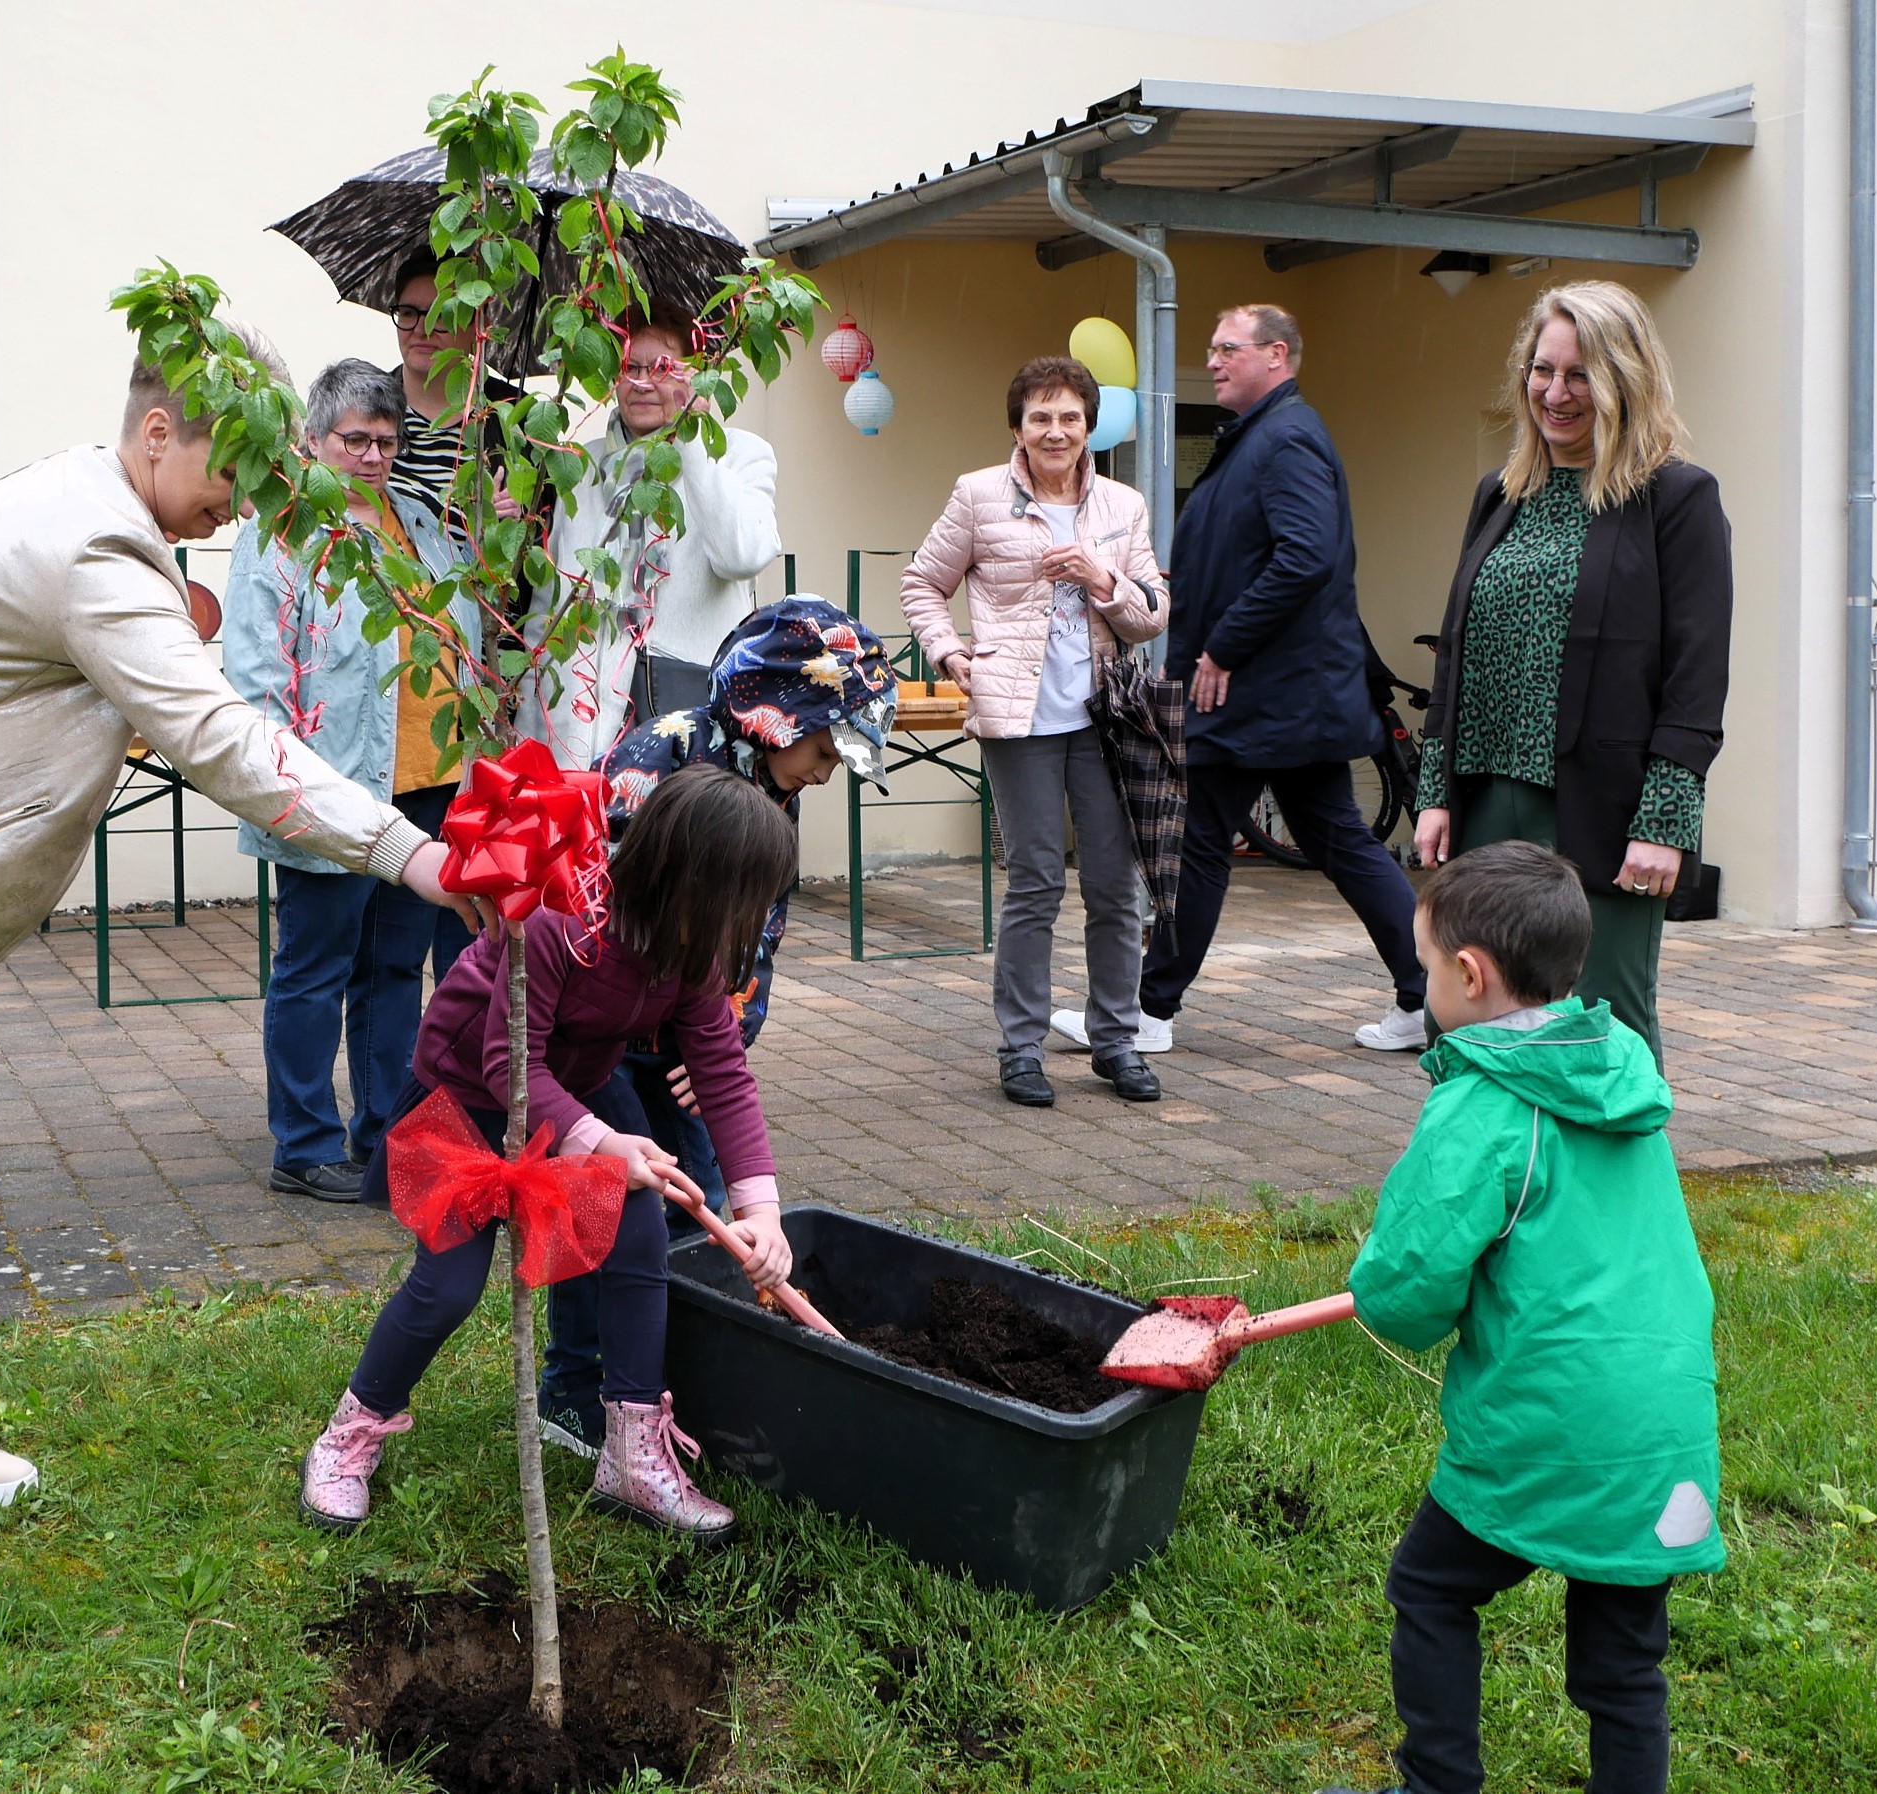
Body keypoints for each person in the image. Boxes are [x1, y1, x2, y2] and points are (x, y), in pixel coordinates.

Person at [0, 335, 484, 1567]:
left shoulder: (101, 511)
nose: (244, 502)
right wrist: (417, 858)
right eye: (231, 470)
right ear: (157, 434)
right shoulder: (97, 548)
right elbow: (223, 736)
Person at [299, 767, 799, 1542]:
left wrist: (761, 1210)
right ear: (695, 885)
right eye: (752, 902)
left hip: (575, 1092)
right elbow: (506, 1062)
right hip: (466, 1097)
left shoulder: (690, 954)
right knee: (448, 1287)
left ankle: (632, 1455)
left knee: (639, 1238)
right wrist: (603, 1143)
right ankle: (350, 1434)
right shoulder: (561, 923)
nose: (758, 922)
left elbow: (723, 1076)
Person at [1327, 840, 1722, 1794]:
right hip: (1663, 1428)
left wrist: (1398, 1300)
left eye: (1425, 967)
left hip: (1549, 1422)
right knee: (1624, 1667)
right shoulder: (1620, 1072)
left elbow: (1408, 1284)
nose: (1424, 986)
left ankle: (1437, 1785)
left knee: (1431, 1588)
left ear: (1469, 975)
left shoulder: (1480, 1105)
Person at [535, 597, 898, 1455]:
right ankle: (572, 1389)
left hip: (690, 1046)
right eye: (825, 751)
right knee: (600, 1209)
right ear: (779, 712)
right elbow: (598, 921)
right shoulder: (661, 760)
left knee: (692, 1212)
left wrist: (726, 1038)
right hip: (607, 1046)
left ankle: (653, 1378)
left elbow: (751, 936)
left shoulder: (774, 781)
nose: (827, 773)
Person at [1411, 282, 1732, 1069]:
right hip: (1486, 803)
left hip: (1603, 812)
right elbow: (1457, 654)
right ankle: (1487, 1151)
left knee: (1601, 1023)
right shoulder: (1499, 495)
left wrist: (1665, 821)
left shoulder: (1676, 498)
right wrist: (1434, 791)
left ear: (1625, 379)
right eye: (1543, 370)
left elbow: (1697, 675)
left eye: (1580, 375)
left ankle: (1621, 1157)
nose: (1555, 393)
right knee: (1468, 1016)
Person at [1129, 304, 1427, 1058]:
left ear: (1277, 355)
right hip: (1285, 698)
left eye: (1227, 347)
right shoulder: (1260, 437)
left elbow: (1305, 557)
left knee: (1199, 842)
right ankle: (1425, 994)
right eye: (1212, 347)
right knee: (1340, 840)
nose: (1213, 360)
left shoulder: (1286, 438)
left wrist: (1222, 647)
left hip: (1257, 695)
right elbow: (1264, 555)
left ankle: (1147, 1014)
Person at [222, 358, 479, 1201]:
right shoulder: (283, 530)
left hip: (427, 781)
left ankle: (383, 1132)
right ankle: (302, 1145)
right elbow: (258, 676)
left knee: (395, 967)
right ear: (312, 439)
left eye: (386, 440)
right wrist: (287, 788)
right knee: (315, 967)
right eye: (355, 439)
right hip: (332, 791)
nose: (373, 456)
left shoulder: (421, 520)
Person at [900, 354, 1168, 1109]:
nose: (1056, 431)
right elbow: (922, 582)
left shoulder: (1123, 505)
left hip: (1104, 718)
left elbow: (1153, 611)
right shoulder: (979, 494)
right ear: (1017, 427)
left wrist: (1101, 579)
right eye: (1040, 417)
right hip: (1017, 720)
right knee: (1037, 881)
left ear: (1090, 428)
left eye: (1070, 418)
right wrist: (950, 652)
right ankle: (1020, 1049)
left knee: (1115, 886)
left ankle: (1116, 1041)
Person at [530, 301, 782, 768]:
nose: (643, 382)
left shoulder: (739, 454)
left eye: (664, 367)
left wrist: (692, 440)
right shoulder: (577, 467)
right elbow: (549, 607)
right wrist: (531, 732)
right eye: (631, 367)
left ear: (696, 373)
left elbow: (743, 555)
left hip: (693, 713)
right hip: (586, 722)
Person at [378, 247, 523, 523]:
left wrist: (517, 522)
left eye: (443, 314)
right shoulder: (363, 407)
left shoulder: (518, 419)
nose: (423, 329)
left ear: (480, 328)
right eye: (408, 313)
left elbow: (550, 530)